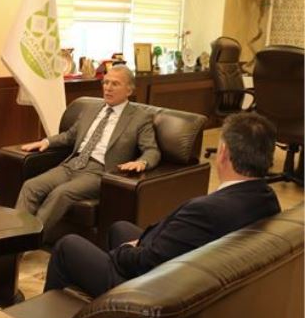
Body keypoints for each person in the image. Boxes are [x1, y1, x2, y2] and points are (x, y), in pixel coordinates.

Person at [44, 112, 281, 297]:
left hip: (150, 292)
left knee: (67, 246)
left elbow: (149, 262)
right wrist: (141, 244)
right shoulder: (267, 199)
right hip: (186, 270)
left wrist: (126, 252)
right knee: (119, 227)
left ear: (223, 153)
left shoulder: (205, 211)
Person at [15, 65, 160, 236]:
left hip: (98, 171)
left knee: (61, 193)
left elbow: (152, 150)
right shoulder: (91, 109)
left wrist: (142, 162)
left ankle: (28, 241)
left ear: (129, 90)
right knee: (31, 186)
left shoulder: (140, 117)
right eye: (106, 82)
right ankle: (14, 239)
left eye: (115, 84)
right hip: (72, 164)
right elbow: (70, 136)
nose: (108, 88)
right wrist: (46, 142)